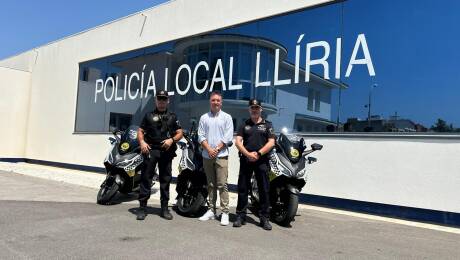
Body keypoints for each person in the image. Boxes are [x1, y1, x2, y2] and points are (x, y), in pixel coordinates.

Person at [136, 90, 183, 221]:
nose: (161, 101)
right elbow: (140, 131)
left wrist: (171, 140)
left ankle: (164, 208)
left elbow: (180, 133)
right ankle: (142, 208)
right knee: (146, 178)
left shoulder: (173, 116)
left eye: (164, 99)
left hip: (166, 150)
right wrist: (142, 142)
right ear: (156, 100)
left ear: (168, 100)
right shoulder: (148, 115)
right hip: (151, 149)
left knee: (165, 179)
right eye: (159, 99)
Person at [234, 99, 275, 230]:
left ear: (261, 109)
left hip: (261, 161)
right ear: (249, 109)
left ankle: (264, 218)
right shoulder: (243, 125)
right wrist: (247, 154)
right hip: (246, 160)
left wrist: (258, 153)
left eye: (257, 108)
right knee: (243, 188)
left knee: (264, 189)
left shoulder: (268, 125)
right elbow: (238, 142)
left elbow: (271, 142)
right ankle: (240, 216)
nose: (254, 110)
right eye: (252, 108)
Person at [197, 91, 234, 226]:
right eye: (213, 100)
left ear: (221, 102)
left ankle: (224, 212)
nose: (216, 102)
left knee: (222, 184)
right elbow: (200, 135)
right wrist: (209, 149)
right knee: (211, 185)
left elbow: (228, 137)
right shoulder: (203, 118)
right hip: (207, 156)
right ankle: (211, 210)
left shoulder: (227, 117)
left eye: (218, 100)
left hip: (221, 155)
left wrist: (216, 149)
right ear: (210, 102)